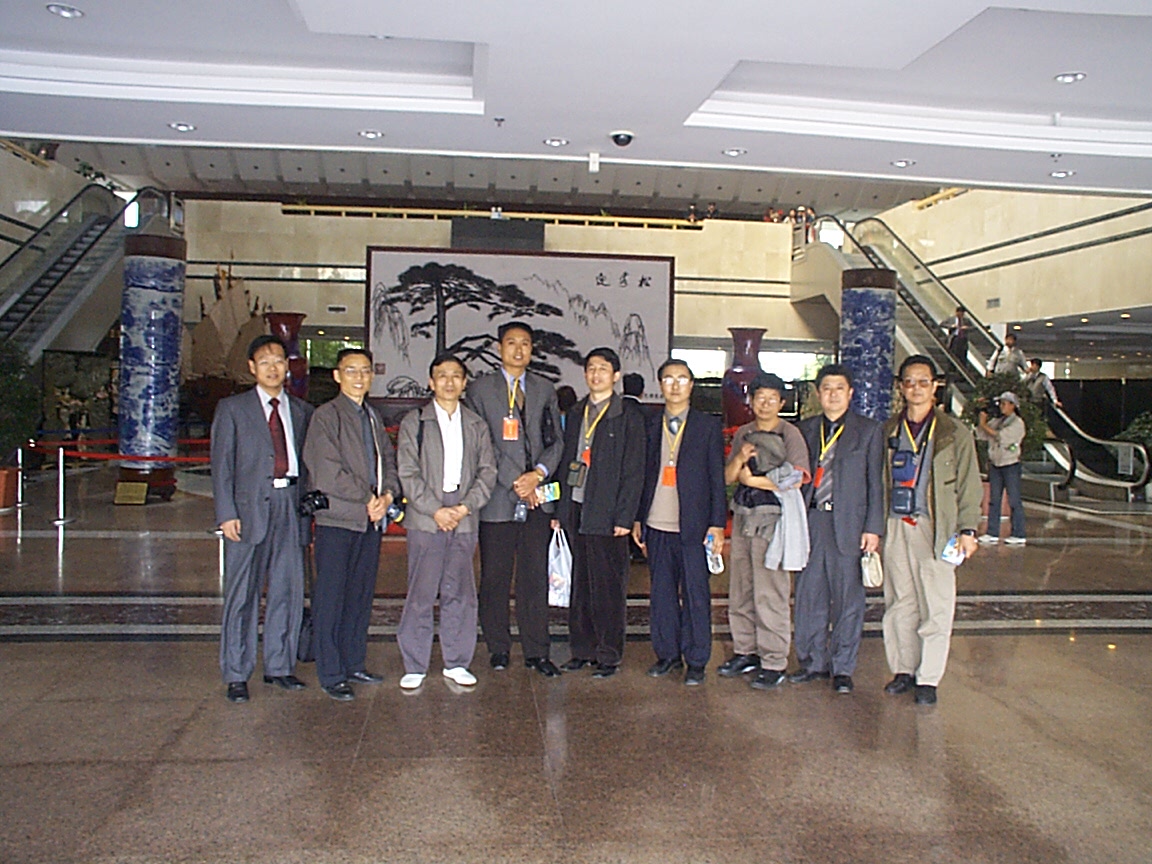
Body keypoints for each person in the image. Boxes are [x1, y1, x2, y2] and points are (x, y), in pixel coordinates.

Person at [211, 335, 314, 703]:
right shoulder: (233, 409)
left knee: (288, 589)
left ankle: (279, 666)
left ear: (288, 366)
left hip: (290, 503)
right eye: (265, 361)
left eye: (279, 361)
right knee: (242, 594)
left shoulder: (301, 411)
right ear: (252, 368)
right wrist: (226, 513)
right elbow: (221, 465)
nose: (273, 368)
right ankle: (237, 672)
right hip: (247, 510)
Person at [882, 355, 982, 706]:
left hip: (937, 526)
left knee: (936, 602)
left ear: (935, 386)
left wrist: (968, 529)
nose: (916, 388)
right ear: (900, 387)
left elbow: (969, 484)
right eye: (909, 382)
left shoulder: (954, 432)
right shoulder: (889, 429)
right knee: (900, 601)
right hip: (896, 523)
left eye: (923, 382)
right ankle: (903, 669)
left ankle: (928, 677)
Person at [467, 321, 565, 677]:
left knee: (534, 576)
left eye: (525, 343)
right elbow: (481, 444)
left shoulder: (544, 388)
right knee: (495, 576)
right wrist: (516, 481)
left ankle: (537, 650)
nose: (519, 350)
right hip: (498, 497)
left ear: (532, 349)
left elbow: (556, 440)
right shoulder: (480, 389)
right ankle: (498, 647)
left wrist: (537, 474)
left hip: (538, 497)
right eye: (511, 343)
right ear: (499, 348)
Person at [395, 353, 497, 689]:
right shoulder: (415, 422)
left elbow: (488, 471)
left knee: (460, 591)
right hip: (426, 517)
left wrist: (465, 507)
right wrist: (435, 509)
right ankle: (415, 663)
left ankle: (457, 661)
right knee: (421, 591)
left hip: (464, 515)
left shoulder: (476, 424)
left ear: (464, 382)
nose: (449, 382)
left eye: (456, 376)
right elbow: (407, 472)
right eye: (442, 375)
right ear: (431, 381)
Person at [303, 347, 399, 701]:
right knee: (331, 597)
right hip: (338, 521)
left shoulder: (371, 416)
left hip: (370, 521)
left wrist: (387, 495)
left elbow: (388, 461)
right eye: (351, 370)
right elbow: (327, 471)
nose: (359, 377)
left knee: (359, 595)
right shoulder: (326, 416)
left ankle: (354, 662)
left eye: (365, 371)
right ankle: (331, 672)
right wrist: (368, 498)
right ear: (337, 375)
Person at [791, 364, 885, 695]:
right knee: (809, 594)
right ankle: (812, 661)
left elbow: (876, 482)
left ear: (850, 393)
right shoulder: (804, 430)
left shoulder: (868, 431)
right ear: (818, 394)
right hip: (811, 520)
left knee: (848, 599)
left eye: (839, 388)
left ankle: (843, 667)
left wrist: (873, 528)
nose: (833, 394)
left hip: (850, 525)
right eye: (827, 388)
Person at [634, 359, 727, 686]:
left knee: (696, 594)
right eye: (669, 379)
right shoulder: (649, 424)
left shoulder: (707, 426)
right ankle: (668, 655)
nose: (675, 385)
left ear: (691, 385)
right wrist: (638, 518)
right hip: (656, 522)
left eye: (682, 379)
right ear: (660, 385)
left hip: (694, 526)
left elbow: (717, 478)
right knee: (661, 595)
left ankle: (697, 659)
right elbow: (641, 475)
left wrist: (717, 523)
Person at [555, 348, 646, 678]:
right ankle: (581, 650)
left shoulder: (627, 416)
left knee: (607, 587)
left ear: (616, 376)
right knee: (580, 584)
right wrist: (561, 509)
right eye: (591, 368)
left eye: (603, 369)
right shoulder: (576, 412)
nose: (596, 374)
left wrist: (625, 517)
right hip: (577, 508)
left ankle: (608, 654)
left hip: (608, 515)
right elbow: (566, 462)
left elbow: (635, 470)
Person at [720, 372, 811, 691]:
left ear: (781, 403)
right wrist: (740, 460)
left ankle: (773, 660)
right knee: (741, 587)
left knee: (770, 591)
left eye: (772, 398)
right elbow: (728, 476)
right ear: (751, 400)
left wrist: (753, 481)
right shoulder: (744, 433)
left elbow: (796, 478)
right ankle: (745, 650)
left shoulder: (790, 434)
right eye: (760, 398)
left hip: (774, 519)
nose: (766, 404)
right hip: (744, 516)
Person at [977, 391, 1027, 546]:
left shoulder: (1017, 423)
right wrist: (982, 420)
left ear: (1013, 405)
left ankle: (1019, 533)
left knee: (1014, 499)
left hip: (1010, 464)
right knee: (994, 499)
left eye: (1005, 404)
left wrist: (984, 424)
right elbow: (982, 435)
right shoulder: (998, 421)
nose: (1002, 407)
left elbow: (1000, 436)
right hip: (996, 464)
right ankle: (992, 532)